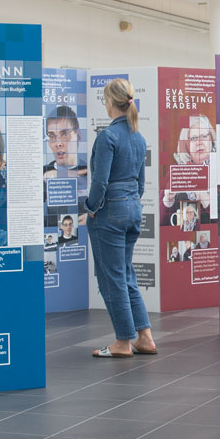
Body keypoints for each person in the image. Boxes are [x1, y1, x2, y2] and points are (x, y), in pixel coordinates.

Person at [87, 78, 157, 358]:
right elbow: (140, 183)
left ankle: (122, 342)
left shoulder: (107, 137)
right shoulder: (138, 137)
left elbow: (100, 183)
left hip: (110, 213)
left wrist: (91, 208)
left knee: (111, 278)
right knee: (126, 273)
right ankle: (145, 337)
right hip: (132, 209)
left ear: (109, 102)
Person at [44, 105, 84, 178]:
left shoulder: (90, 171)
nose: (58, 144)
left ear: (78, 135)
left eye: (65, 134)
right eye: (52, 136)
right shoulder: (41, 174)